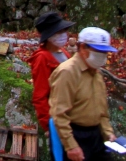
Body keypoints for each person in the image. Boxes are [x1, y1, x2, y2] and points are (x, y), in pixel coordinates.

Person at [49, 27, 117, 161]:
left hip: (96, 135)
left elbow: (101, 110)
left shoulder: (97, 73)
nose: (101, 55)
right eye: (97, 51)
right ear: (82, 47)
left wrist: (108, 133)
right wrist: (71, 146)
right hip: (75, 134)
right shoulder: (67, 72)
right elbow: (59, 113)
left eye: (104, 52)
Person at [31, 11, 74, 136]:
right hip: (57, 118)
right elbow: (40, 95)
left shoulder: (64, 53)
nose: (64, 35)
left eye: (64, 31)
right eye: (59, 32)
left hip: (72, 115)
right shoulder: (42, 58)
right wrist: (48, 124)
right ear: (50, 36)